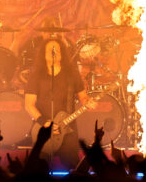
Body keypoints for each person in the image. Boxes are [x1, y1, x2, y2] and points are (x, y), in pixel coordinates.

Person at [23, 31, 93, 169]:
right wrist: (45, 123)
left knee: (72, 167)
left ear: (62, 54)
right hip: (43, 130)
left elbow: (83, 97)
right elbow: (28, 105)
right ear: (43, 54)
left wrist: (88, 102)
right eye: (50, 49)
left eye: (57, 49)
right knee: (38, 170)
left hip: (68, 130)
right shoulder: (36, 75)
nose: (54, 52)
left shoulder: (72, 74)